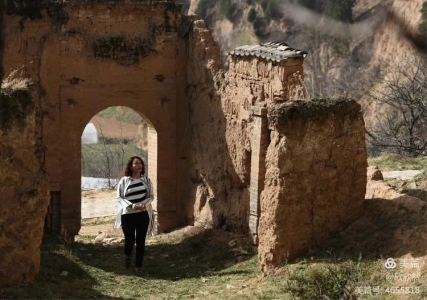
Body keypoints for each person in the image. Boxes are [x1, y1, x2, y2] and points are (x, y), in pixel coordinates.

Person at [114, 156, 155, 276]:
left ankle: (138, 267)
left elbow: (151, 196)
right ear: (131, 166)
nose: (139, 166)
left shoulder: (146, 180)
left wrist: (144, 204)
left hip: (143, 214)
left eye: (140, 164)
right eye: (136, 163)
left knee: (141, 241)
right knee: (130, 240)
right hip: (128, 215)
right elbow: (119, 197)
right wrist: (131, 206)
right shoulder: (124, 180)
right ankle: (128, 255)